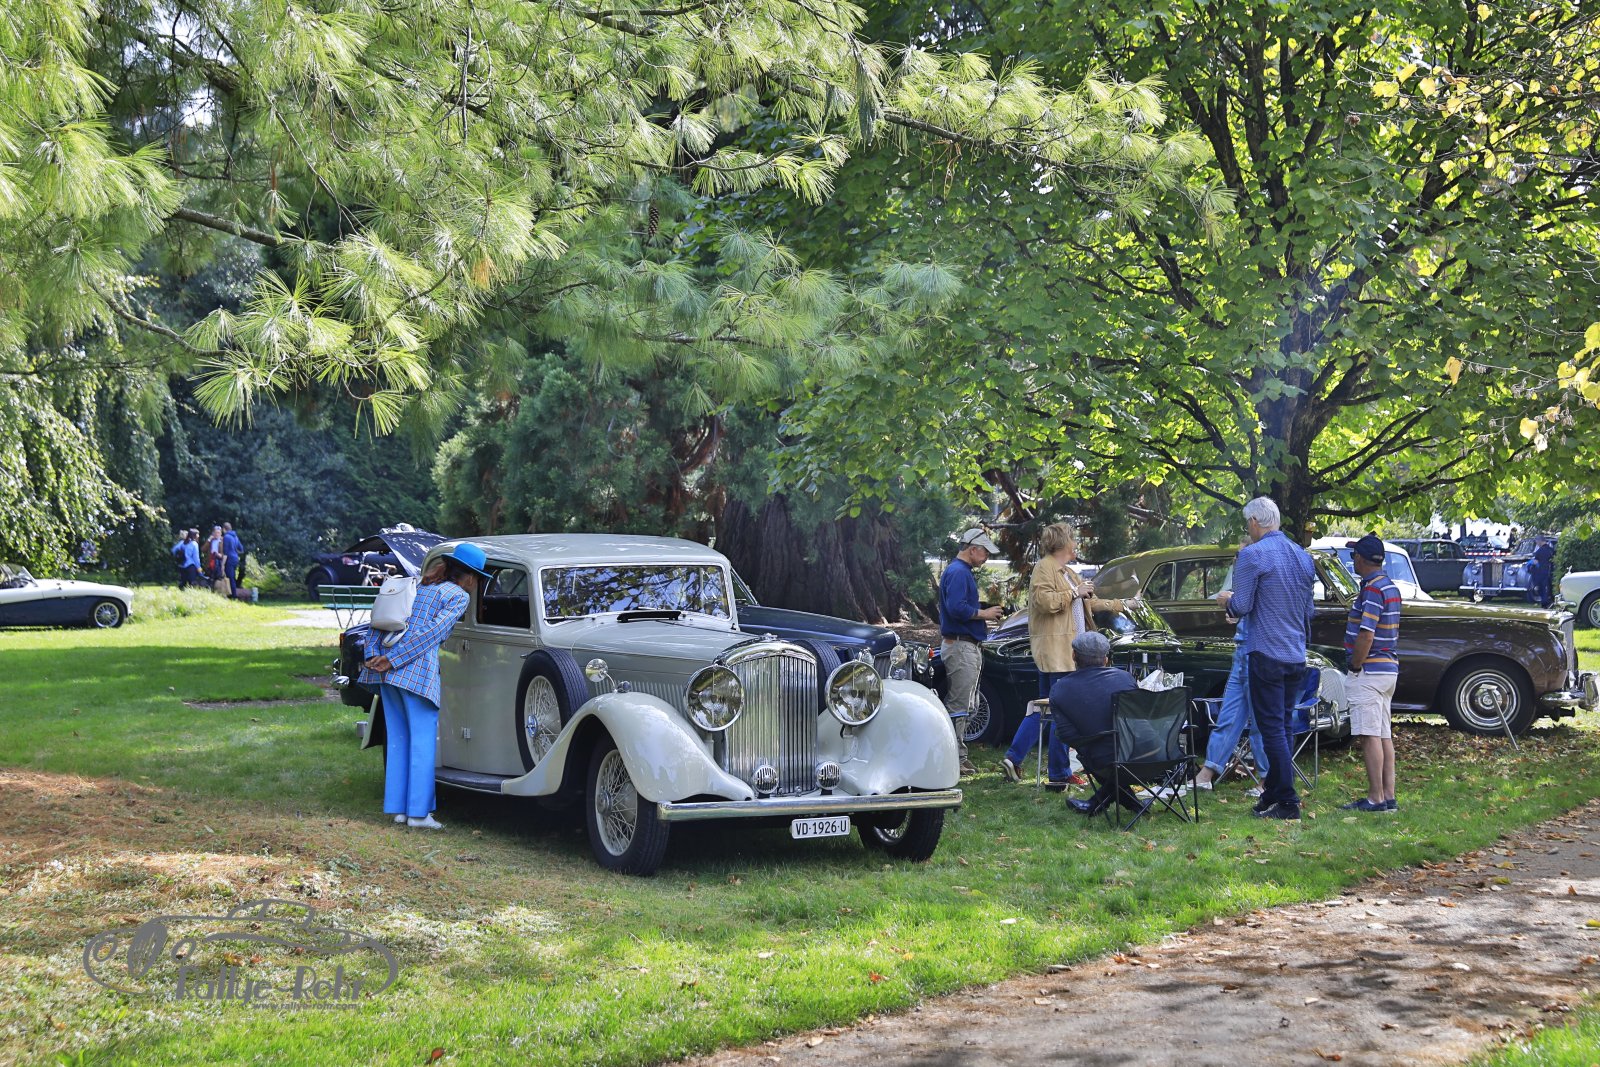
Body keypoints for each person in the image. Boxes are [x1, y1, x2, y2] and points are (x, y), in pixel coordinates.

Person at [359, 542, 491, 829]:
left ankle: (399, 809)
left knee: (398, 739)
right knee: (421, 741)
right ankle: (419, 814)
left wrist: (373, 655)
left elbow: (379, 619)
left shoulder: (419, 585)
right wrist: (393, 660)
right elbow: (431, 634)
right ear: (470, 576)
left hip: (386, 674)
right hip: (415, 674)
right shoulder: (457, 596)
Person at [1000, 522, 1128, 789]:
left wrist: (1122, 604)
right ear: (1062, 543)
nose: (1076, 543)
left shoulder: (1068, 572)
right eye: (1073, 538)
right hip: (1057, 653)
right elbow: (1044, 602)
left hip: (1068, 653)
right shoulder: (1044, 567)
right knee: (1058, 709)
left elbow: (1088, 602)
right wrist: (1073, 592)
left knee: (1047, 709)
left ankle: (1021, 760)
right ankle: (1054, 770)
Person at [1216, 497, 1315, 821]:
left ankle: (1287, 801)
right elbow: (1309, 611)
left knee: (1271, 729)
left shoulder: (1252, 554)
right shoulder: (1302, 556)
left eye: (1248, 523)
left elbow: (1242, 605)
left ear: (1255, 522)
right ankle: (1271, 792)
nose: (1248, 528)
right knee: (1283, 726)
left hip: (1266, 651)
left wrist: (1227, 602)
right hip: (1295, 653)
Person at [1049, 632, 1145, 816]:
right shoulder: (1125, 678)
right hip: (1152, 756)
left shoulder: (1060, 689)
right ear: (1106, 658)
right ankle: (1133, 804)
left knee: (1094, 756)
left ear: (1074, 656)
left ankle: (1095, 804)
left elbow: (1067, 736)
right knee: (1108, 756)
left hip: (1106, 761)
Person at [1340, 535, 1402, 814]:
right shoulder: (1389, 586)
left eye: (1354, 556)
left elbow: (1367, 633)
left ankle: (1376, 797)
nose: (1352, 560)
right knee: (1383, 734)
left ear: (1360, 559)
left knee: (1369, 735)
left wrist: (1355, 665)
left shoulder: (1373, 590)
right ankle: (1388, 795)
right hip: (1388, 669)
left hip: (1370, 670)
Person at [939, 528, 1005, 777]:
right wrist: (984, 614)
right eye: (985, 551)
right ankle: (951, 758)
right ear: (973, 549)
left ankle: (958, 757)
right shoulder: (958, 572)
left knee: (968, 705)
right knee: (959, 705)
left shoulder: (960, 571)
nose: (987, 556)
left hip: (965, 645)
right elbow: (956, 608)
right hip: (960, 646)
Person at [1191, 612, 1270, 793]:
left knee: (1260, 724)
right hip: (1241, 649)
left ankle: (1268, 781)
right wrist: (1236, 609)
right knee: (1227, 718)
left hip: (1259, 650)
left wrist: (1233, 603)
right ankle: (1205, 776)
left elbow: (1248, 602)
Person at [1527, 538, 1555, 608]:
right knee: (1548, 587)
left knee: (1542, 588)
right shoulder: (1551, 550)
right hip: (1550, 571)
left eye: (1537, 542)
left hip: (1541, 572)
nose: (1537, 544)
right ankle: (1550, 601)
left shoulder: (1539, 551)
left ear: (1540, 541)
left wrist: (1530, 564)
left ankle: (1545, 603)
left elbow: (1536, 562)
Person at [222, 522, 245, 597]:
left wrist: (222, 564)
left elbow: (225, 552)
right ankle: (232, 594)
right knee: (233, 577)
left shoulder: (226, 537)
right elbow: (241, 549)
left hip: (229, 559)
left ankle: (233, 596)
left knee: (230, 578)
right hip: (235, 558)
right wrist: (235, 551)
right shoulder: (235, 537)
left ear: (224, 529)